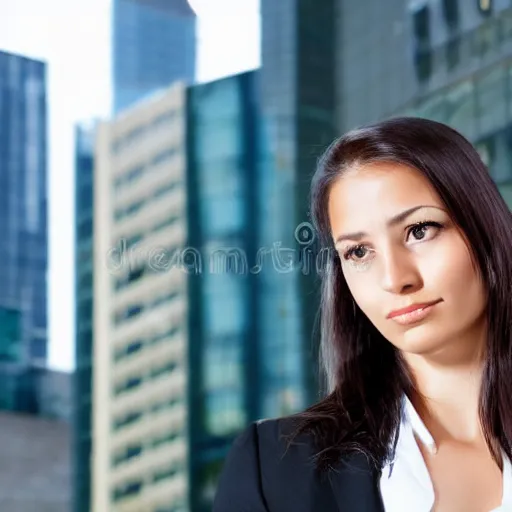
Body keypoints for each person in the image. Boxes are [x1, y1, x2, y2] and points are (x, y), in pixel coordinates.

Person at [212, 117, 512, 512]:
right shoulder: (275, 471)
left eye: (420, 230)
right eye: (358, 252)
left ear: (482, 226)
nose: (394, 279)